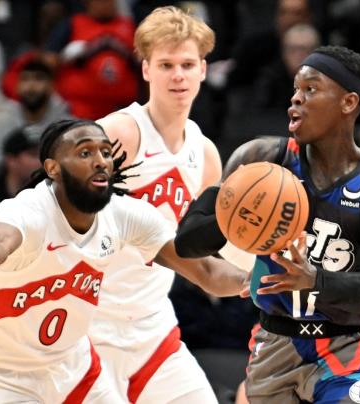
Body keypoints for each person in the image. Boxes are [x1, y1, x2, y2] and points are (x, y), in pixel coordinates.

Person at [175, 45, 360, 403]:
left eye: (311, 89)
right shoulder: (260, 159)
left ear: (348, 103)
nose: (296, 100)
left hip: (347, 345)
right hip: (275, 342)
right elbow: (188, 242)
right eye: (295, 90)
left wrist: (313, 280)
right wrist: (242, 219)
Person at [0, 119, 247, 402]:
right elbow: (2, 238)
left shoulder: (124, 215)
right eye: (84, 152)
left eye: (105, 151)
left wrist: (256, 280)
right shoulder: (31, 210)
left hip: (70, 365)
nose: (101, 160)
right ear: (53, 168)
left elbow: (205, 270)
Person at [95, 6, 249, 402]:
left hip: (152, 323)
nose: (178, 75)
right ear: (146, 69)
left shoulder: (206, 155)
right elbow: (60, 220)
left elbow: (211, 257)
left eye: (186, 64)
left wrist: (261, 273)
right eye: (166, 64)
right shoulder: (120, 134)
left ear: (203, 69)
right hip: (90, 325)